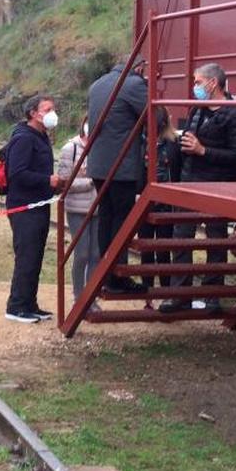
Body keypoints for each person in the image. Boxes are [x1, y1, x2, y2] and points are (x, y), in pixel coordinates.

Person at [160, 63, 236, 313]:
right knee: (181, 238)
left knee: (216, 240)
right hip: (190, 180)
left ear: (213, 83)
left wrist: (203, 150)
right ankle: (180, 296)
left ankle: (212, 296)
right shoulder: (197, 110)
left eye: (198, 82)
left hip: (218, 184)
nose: (195, 87)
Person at [86, 56, 149, 293]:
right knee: (121, 221)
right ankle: (117, 276)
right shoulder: (133, 84)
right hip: (121, 166)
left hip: (99, 165)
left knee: (107, 216)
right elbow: (155, 115)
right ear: (139, 68)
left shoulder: (98, 83)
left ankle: (106, 274)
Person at [4, 95, 61, 323]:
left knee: (35, 256)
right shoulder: (24, 138)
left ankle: (30, 303)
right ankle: (16, 306)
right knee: (26, 256)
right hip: (23, 206)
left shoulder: (41, 136)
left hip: (40, 203)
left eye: (52, 108)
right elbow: (17, 174)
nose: (51, 113)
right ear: (33, 113)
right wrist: (47, 180)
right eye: (47, 109)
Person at [138, 107, 182, 290]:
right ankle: (146, 289)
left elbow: (178, 171)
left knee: (163, 249)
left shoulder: (173, 144)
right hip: (144, 201)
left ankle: (165, 289)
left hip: (166, 202)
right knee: (146, 248)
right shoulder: (140, 143)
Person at [57, 116, 100, 300]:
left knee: (96, 254)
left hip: (98, 208)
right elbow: (64, 182)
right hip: (77, 208)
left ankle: (90, 297)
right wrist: (91, 181)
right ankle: (78, 295)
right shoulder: (71, 148)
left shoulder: (101, 149)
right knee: (81, 253)